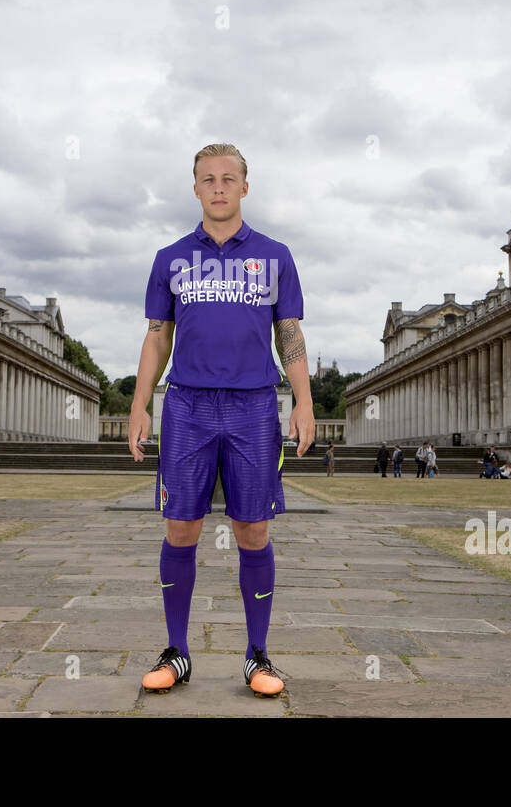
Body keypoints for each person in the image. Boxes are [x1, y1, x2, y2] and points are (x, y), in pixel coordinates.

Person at [129, 143, 311, 699]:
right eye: (207, 179)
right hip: (186, 404)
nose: (218, 188)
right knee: (180, 525)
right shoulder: (171, 258)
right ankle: (177, 651)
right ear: (195, 188)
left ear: (244, 187)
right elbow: (158, 336)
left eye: (228, 179)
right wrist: (140, 403)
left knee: (251, 528)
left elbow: (290, 335)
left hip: (255, 404)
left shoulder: (275, 256)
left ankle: (257, 657)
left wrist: (305, 402)